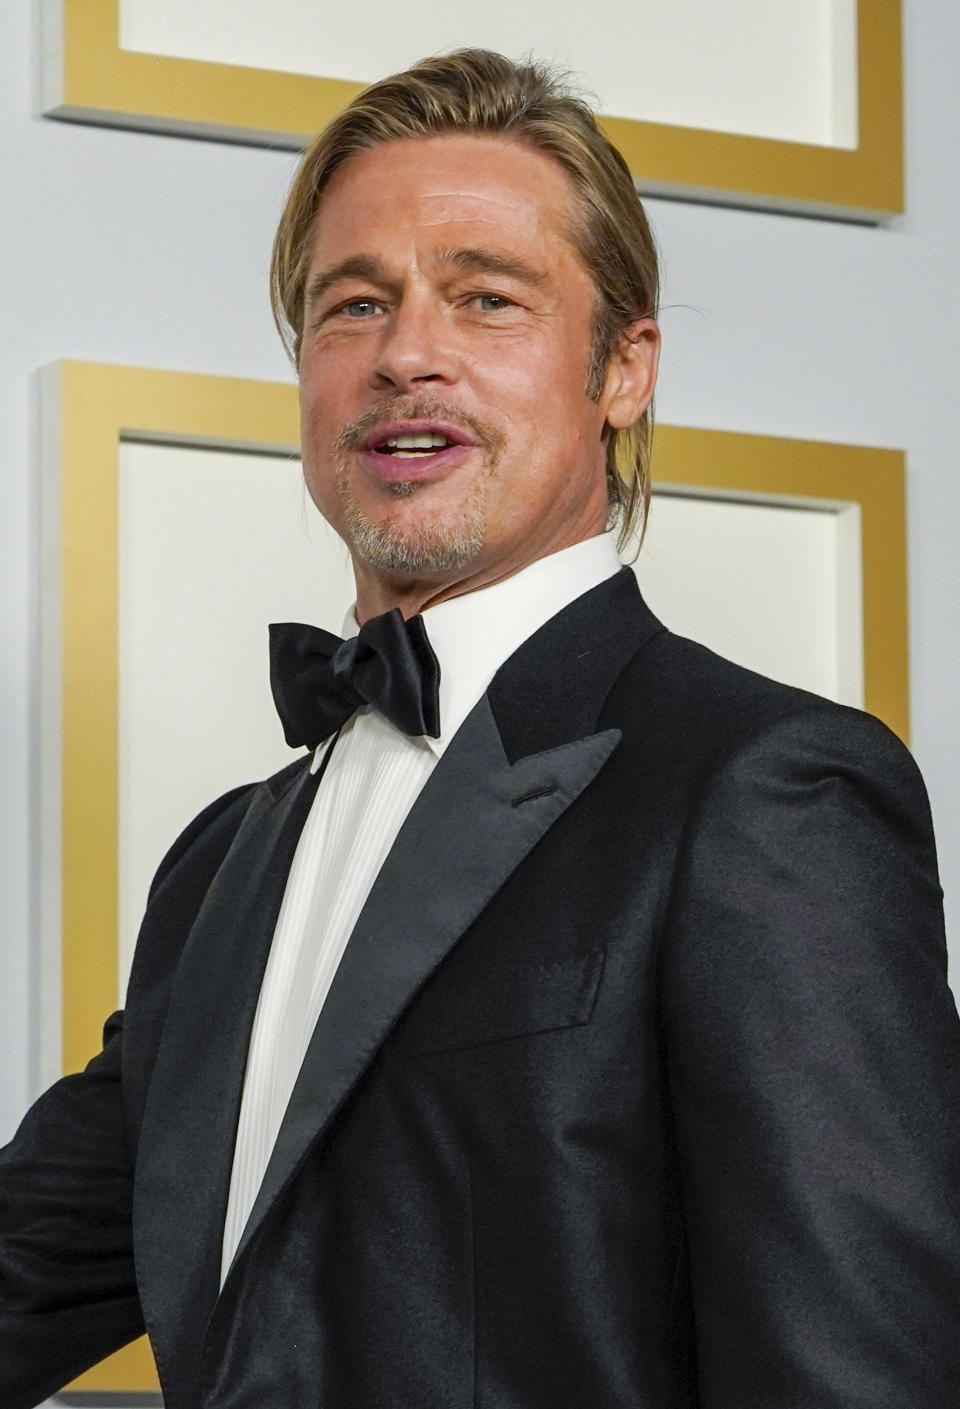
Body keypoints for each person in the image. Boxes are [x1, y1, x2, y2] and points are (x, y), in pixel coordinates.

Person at [2, 48, 959, 1409]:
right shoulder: (218, 864)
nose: (406, 353)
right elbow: (30, 1263)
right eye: (353, 305)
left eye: (486, 299)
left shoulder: (763, 790)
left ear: (623, 369)